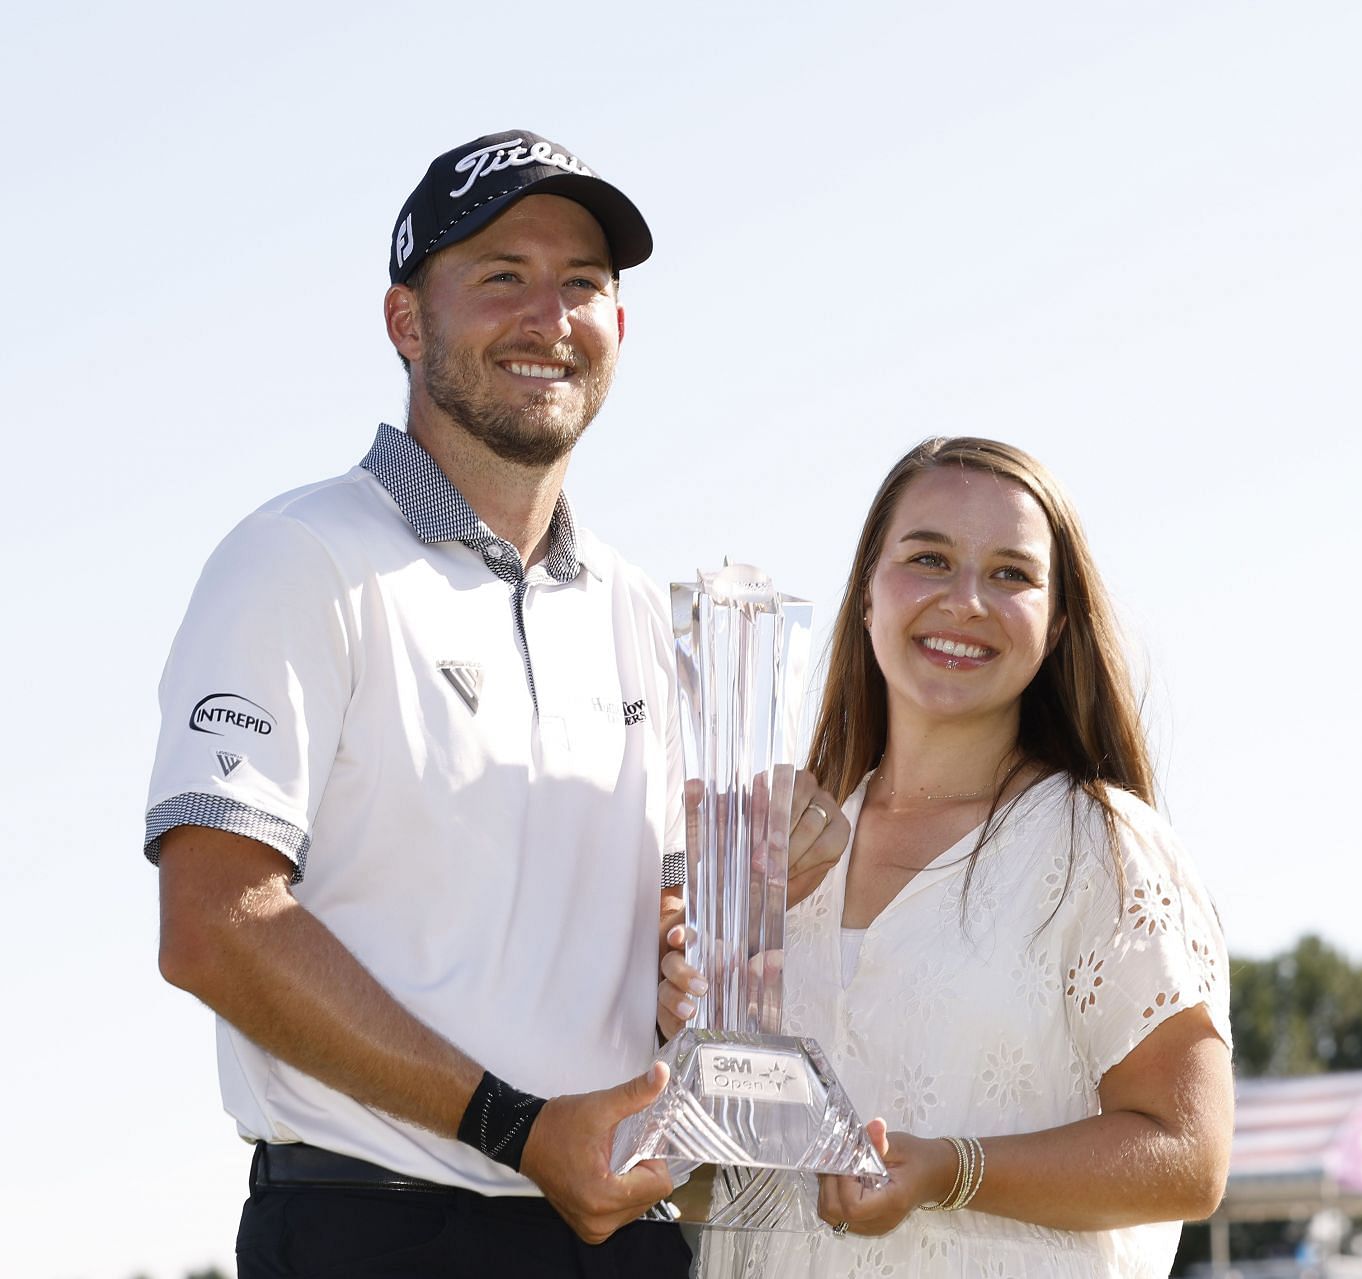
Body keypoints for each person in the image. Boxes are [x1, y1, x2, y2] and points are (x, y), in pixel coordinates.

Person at [145, 130, 850, 1279]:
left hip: (615, 1236)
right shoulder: (297, 558)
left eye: (583, 285)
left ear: (620, 328)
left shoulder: (637, 608)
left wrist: (747, 898)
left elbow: (650, 977)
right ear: (406, 322)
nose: (550, 317)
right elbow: (216, 923)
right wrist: (517, 1129)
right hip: (374, 1231)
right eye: (503, 277)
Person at [663, 438, 1234, 1277]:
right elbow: (721, 1183)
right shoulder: (778, 853)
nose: (966, 600)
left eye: (1011, 574)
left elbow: (1189, 1155)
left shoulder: (1101, 846)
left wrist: (949, 1170)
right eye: (929, 558)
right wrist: (682, 1026)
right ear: (866, 594)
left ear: (1057, 622)